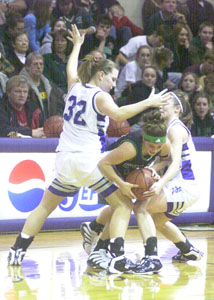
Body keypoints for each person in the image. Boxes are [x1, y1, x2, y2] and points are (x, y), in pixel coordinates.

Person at [7, 25, 171, 274]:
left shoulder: (74, 86)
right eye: (113, 78)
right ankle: (115, 257)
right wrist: (148, 102)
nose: (114, 84)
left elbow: (70, 69)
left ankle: (18, 249)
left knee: (43, 207)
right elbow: (118, 113)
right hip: (88, 160)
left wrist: (77, 46)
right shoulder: (99, 96)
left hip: (64, 160)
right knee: (124, 204)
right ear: (101, 74)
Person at [83, 90, 203, 273]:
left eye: (166, 104)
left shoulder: (175, 129)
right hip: (182, 186)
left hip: (184, 185)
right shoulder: (160, 131)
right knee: (153, 222)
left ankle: (149, 258)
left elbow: (175, 162)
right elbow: (164, 160)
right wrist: (152, 171)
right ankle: (188, 250)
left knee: (138, 207)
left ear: (177, 109)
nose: (161, 106)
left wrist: (159, 182)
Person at [20, 52, 65, 120]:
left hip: (50, 124)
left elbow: (60, 103)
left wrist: (57, 117)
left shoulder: (49, 84)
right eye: (35, 64)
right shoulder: (20, 85)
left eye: (41, 64)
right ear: (27, 67)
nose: (39, 67)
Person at [43, 29, 73, 93]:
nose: (59, 43)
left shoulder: (72, 60)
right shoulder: (46, 59)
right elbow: (48, 80)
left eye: (62, 41)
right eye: (57, 40)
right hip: (55, 94)